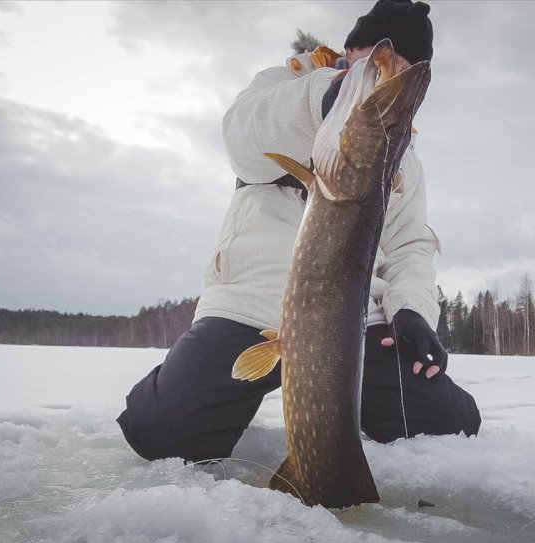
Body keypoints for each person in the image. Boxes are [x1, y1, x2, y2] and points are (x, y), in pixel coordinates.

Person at [117, 0, 480, 464]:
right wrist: (324, 99)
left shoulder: (403, 157)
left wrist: (411, 308)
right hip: (249, 304)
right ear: (351, 52)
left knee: (450, 427)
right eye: (374, 66)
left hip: (351, 322)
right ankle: (178, 379)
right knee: (164, 434)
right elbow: (240, 141)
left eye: (399, 76)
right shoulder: (282, 87)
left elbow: (410, 246)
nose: (381, 83)